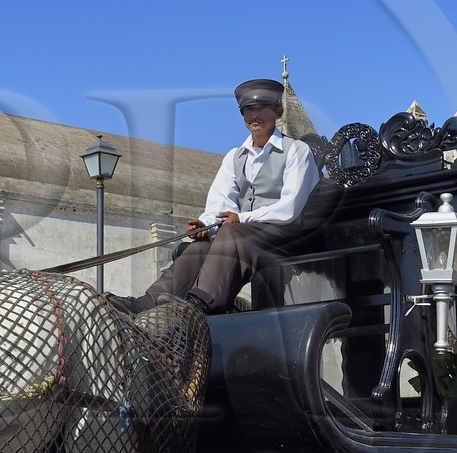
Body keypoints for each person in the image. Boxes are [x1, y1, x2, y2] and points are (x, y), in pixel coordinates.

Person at [115, 78, 319, 316]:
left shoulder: (297, 150)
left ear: (278, 111)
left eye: (262, 107)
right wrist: (206, 224)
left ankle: (202, 302)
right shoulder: (234, 157)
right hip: (245, 235)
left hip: (285, 236)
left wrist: (241, 219)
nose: (254, 114)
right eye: (248, 109)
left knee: (233, 233)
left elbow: (290, 207)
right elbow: (220, 202)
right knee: (198, 248)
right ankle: (150, 302)